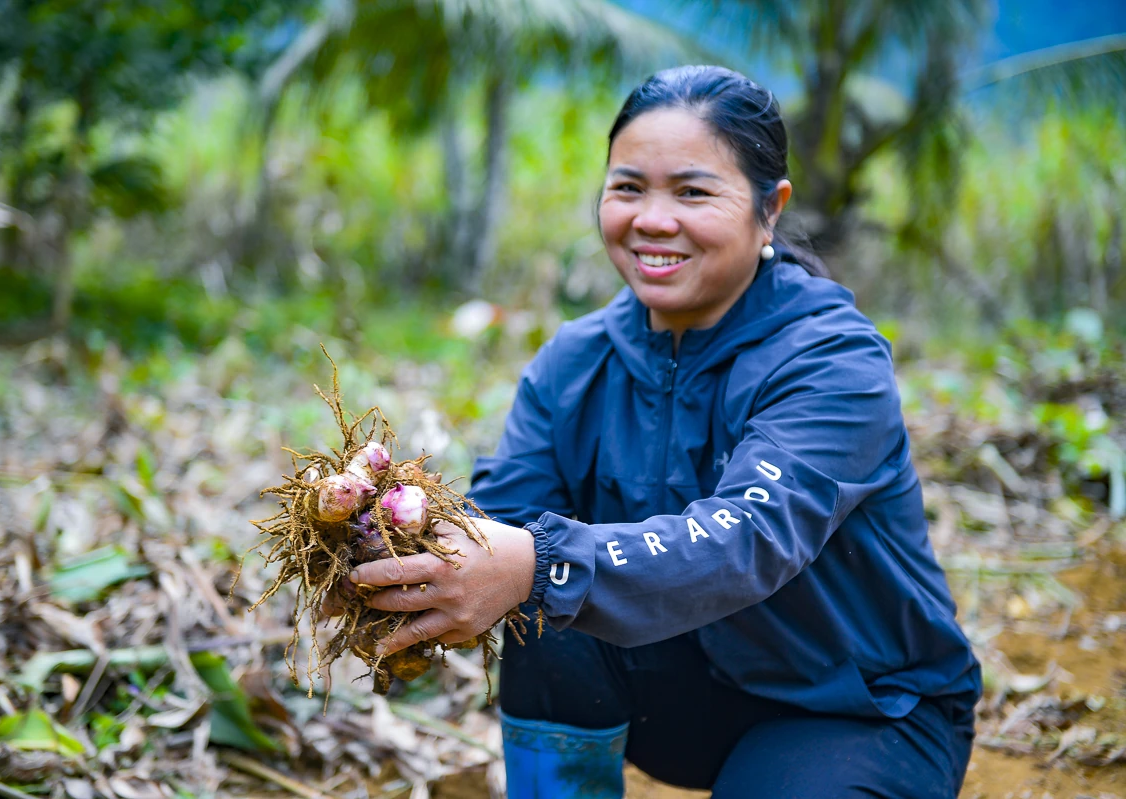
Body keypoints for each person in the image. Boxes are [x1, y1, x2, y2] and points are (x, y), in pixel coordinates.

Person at [348, 65, 981, 798]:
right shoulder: (575, 361)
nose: (652, 218)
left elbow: (748, 536)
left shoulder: (830, 358)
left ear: (769, 209)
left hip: (859, 706)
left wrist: (535, 563)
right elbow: (500, 523)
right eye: (627, 187)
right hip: (691, 685)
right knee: (544, 619)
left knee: (545, 571)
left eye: (692, 191)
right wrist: (392, 545)